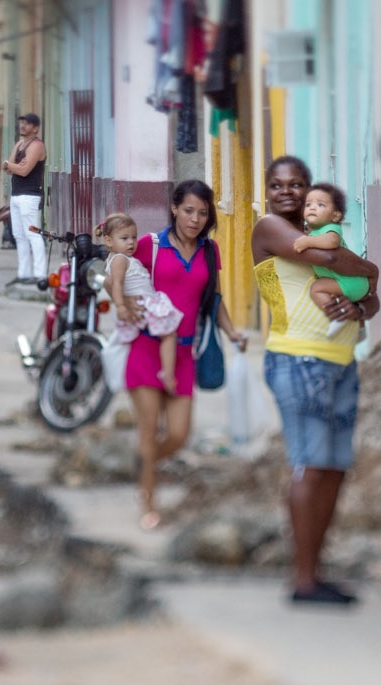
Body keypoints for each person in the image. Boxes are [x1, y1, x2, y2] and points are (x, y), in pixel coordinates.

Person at [253, 154, 378, 606]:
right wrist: (369, 268)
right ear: (267, 191)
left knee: (333, 468)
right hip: (297, 359)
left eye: (297, 184)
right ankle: (302, 580)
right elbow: (329, 257)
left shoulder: (322, 233)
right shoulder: (269, 228)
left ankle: (316, 572)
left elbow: (372, 300)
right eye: (278, 184)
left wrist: (361, 305)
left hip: (341, 359)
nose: (287, 192)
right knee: (309, 463)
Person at [126, 181, 249, 530]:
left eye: (202, 212)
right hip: (147, 348)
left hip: (184, 354)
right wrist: (121, 302)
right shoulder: (149, 246)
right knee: (149, 431)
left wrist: (233, 331)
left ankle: (143, 464)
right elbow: (116, 271)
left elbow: (214, 300)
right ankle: (148, 503)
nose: (195, 219)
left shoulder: (210, 251)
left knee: (179, 435)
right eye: (189, 210)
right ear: (174, 209)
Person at [100, 213, 181, 428]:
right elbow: (115, 284)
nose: (131, 243)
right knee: (169, 335)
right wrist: (120, 306)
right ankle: (168, 373)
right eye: (124, 238)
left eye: (134, 238)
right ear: (108, 241)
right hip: (144, 305)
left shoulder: (123, 259)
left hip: (144, 302)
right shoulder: (118, 260)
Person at [294, 182, 370, 337]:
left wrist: (306, 241)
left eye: (320, 205)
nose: (312, 208)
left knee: (316, 288)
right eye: (308, 204)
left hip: (351, 282)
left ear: (335, 216)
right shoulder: (316, 231)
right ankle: (359, 329)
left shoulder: (331, 229)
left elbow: (332, 242)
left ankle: (337, 316)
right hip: (348, 282)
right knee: (331, 294)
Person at [2, 113, 48, 285]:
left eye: (27, 124)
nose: (23, 126)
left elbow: (23, 170)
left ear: (35, 127)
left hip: (29, 195)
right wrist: (11, 165)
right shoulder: (21, 144)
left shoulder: (37, 145)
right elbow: (7, 166)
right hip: (16, 195)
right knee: (19, 236)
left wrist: (10, 165)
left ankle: (40, 275)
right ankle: (24, 274)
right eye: (22, 123)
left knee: (33, 235)